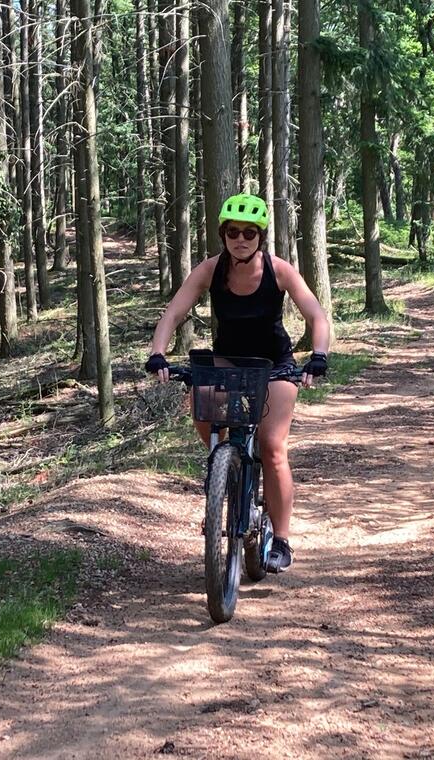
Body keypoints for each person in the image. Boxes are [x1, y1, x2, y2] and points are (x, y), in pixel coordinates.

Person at [144, 193, 331, 572]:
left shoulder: (279, 270)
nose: (240, 239)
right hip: (226, 360)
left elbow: (316, 315)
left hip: (273, 364)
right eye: (233, 232)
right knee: (205, 412)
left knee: (272, 444)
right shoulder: (211, 270)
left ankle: (281, 539)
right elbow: (174, 312)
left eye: (249, 232)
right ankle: (226, 475)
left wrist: (319, 355)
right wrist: (158, 353)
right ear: (223, 235)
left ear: (260, 236)